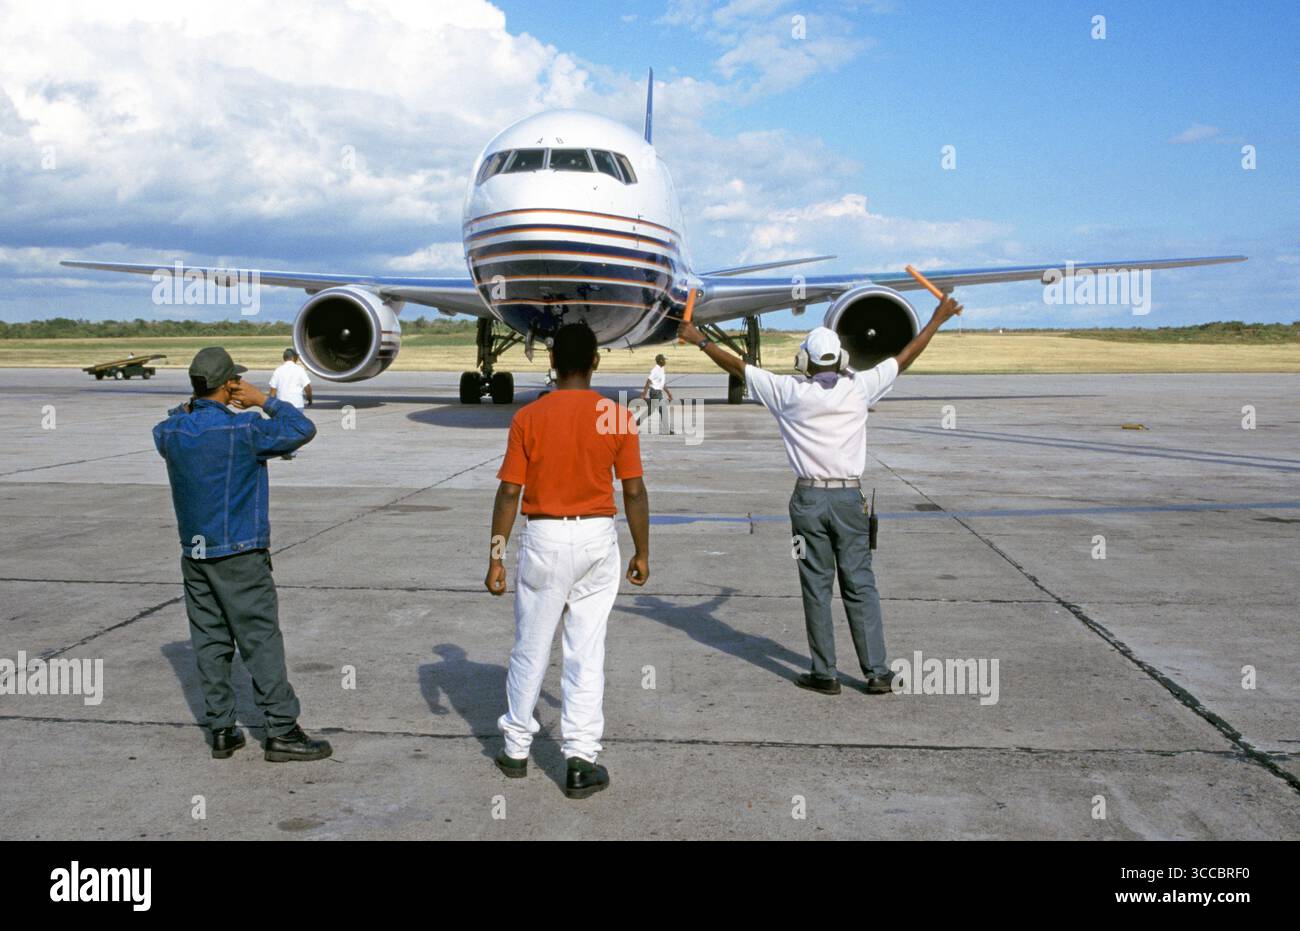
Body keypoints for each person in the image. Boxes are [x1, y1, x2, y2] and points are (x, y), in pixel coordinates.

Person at [678, 295, 963, 696]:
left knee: (815, 584)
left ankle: (824, 672)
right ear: (842, 360)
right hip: (850, 502)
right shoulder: (859, 388)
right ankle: (877, 671)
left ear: (804, 362)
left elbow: (739, 367)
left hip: (807, 504)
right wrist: (937, 317)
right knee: (860, 584)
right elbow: (905, 357)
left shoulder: (788, 392)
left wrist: (699, 340)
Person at [485, 322, 651, 799]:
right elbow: (634, 491)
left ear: (552, 362)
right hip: (597, 539)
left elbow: (509, 492)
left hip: (543, 537)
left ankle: (516, 748)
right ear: (596, 362)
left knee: (530, 646)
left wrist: (496, 556)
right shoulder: (616, 417)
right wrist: (642, 551)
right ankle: (580, 758)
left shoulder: (529, 419)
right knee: (586, 651)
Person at [153, 346, 331, 762]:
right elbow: (302, 428)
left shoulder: (172, 434)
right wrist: (262, 400)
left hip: (195, 554)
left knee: (210, 642)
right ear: (229, 384)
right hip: (240, 553)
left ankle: (221, 730)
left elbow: (167, 422)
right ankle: (282, 731)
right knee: (260, 640)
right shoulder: (245, 430)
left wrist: (193, 405)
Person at [269, 349, 312, 460]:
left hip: (282, 403)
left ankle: (285, 449)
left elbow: (273, 390)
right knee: (296, 429)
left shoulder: (278, 370)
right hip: (296, 403)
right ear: (293, 358)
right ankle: (291, 451)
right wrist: (309, 398)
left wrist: (270, 404)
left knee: (283, 428)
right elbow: (307, 386)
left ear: (284, 358)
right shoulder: (299, 370)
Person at [640, 353, 673, 434]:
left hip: (658, 392)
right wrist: (643, 394)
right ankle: (666, 430)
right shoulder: (655, 370)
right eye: (664, 360)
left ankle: (636, 423)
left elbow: (662, 383)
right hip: (655, 393)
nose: (665, 361)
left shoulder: (662, 369)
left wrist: (669, 393)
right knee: (663, 410)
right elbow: (648, 381)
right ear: (660, 360)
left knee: (650, 410)